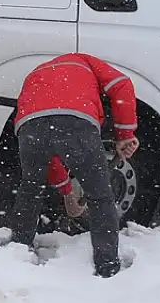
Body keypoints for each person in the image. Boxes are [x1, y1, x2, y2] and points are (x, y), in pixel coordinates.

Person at [8, 52, 140, 278]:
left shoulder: (37, 73)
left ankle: (17, 252)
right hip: (76, 121)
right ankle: (107, 266)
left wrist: (68, 194)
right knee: (99, 196)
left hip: (29, 125)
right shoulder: (85, 60)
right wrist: (125, 134)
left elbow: (52, 151)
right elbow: (121, 85)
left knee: (31, 189)